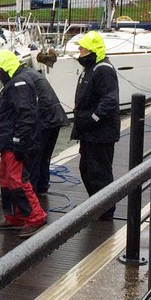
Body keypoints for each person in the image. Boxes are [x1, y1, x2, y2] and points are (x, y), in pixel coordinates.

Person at [0, 49, 47, 237]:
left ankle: (35, 217)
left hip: (15, 142)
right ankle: (14, 216)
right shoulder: (14, 84)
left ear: (5, 67)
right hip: (7, 142)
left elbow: (27, 115)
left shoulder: (19, 84)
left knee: (18, 181)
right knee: (6, 181)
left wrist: (19, 141)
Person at [70, 31, 120, 220]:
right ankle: (96, 204)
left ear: (91, 50)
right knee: (86, 169)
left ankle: (105, 210)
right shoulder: (91, 68)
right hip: (88, 132)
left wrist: (93, 119)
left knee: (100, 171)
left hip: (100, 133)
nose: (79, 51)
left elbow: (110, 100)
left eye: (82, 48)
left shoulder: (103, 69)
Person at [28, 64, 69, 198]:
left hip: (46, 119)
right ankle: (42, 186)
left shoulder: (22, 79)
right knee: (45, 156)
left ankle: (33, 192)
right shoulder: (32, 75)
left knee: (35, 155)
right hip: (56, 117)